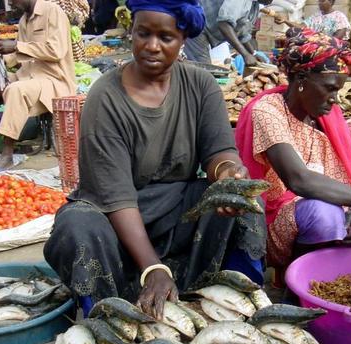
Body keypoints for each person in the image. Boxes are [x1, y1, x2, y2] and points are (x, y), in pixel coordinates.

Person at [43, 0, 266, 320]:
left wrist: (228, 172)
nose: (151, 46)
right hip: (113, 215)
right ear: (130, 32)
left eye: (165, 38)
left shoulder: (201, 85)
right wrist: (153, 268)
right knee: (76, 226)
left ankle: (236, 305)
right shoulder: (105, 97)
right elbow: (116, 196)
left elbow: (219, 151)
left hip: (178, 210)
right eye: (142, 33)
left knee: (242, 202)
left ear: (183, 40)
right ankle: (105, 317)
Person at [235, 27, 351, 275]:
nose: (335, 99)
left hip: (333, 206)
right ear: (302, 80)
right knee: (323, 215)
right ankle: (299, 286)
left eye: (338, 90)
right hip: (277, 219)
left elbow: (343, 180)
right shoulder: (268, 111)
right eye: (329, 88)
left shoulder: (326, 116)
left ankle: (343, 281)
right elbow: (300, 181)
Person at [0, 0, 75, 172]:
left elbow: (57, 50)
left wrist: (16, 45)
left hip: (53, 82)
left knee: (15, 89)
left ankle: (7, 154)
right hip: (25, 78)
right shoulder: (25, 19)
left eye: (12, 0)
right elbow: (17, 56)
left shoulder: (52, 12)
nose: (10, 4)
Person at [184, 0, 273, 65]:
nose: (271, 1)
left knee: (203, 76)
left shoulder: (254, 5)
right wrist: (245, 55)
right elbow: (224, 24)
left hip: (206, 31)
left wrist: (253, 53)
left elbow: (241, 32)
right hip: (196, 26)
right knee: (202, 73)